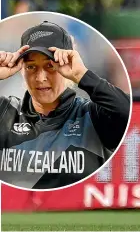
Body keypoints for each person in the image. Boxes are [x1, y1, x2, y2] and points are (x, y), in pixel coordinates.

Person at [0, 21, 131, 189]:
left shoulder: (92, 116)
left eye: (50, 66)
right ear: (21, 70)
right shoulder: (5, 112)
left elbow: (127, 111)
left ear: (66, 67)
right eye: (31, 67)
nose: (40, 78)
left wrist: (82, 75)